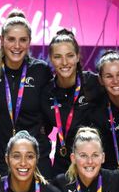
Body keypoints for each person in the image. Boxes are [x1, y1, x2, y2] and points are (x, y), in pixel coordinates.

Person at [0, 9, 53, 176]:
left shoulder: (41, 70)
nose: (17, 46)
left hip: (35, 162)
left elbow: (50, 114)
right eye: (11, 39)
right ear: (2, 40)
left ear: (29, 41)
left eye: (23, 40)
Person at [42, 29, 103, 178]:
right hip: (62, 163)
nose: (64, 63)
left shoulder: (94, 83)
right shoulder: (47, 92)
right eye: (58, 57)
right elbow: (40, 130)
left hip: (93, 162)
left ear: (77, 57)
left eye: (69, 56)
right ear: (50, 58)